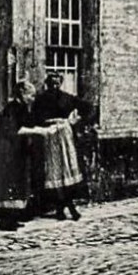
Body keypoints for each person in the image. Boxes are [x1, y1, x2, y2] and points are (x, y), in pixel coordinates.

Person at [31, 71, 90, 221]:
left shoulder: (67, 98)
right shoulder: (41, 99)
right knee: (54, 171)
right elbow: (34, 118)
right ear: (47, 84)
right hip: (49, 136)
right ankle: (60, 208)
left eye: (57, 83)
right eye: (52, 83)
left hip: (65, 135)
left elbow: (87, 107)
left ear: (61, 83)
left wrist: (74, 121)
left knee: (67, 171)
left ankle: (68, 206)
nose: (54, 86)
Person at [0, 79, 37, 230]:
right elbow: (15, 130)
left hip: (18, 149)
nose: (32, 99)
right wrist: (40, 131)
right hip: (9, 150)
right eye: (31, 95)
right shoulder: (12, 108)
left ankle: (13, 218)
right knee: (8, 181)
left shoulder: (22, 107)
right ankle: (6, 220)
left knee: (16, 182)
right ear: (22, 93)